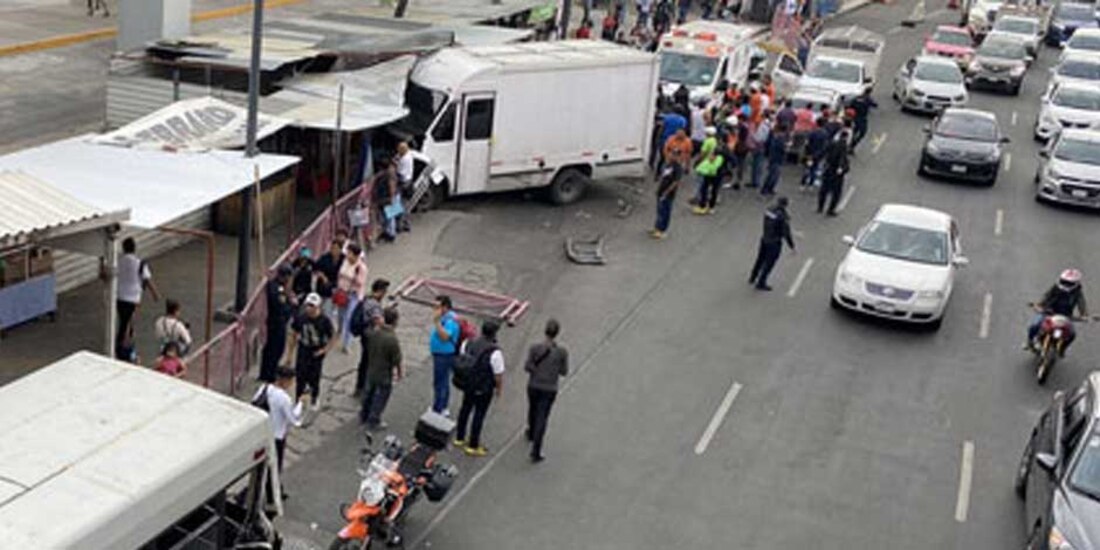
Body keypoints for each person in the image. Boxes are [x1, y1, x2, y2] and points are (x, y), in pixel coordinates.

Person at [454, 319, 505, 457]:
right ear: (494, 334)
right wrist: (499, 389)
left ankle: (459, 437)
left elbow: (462, 356)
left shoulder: (468, 342)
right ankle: (473, 445)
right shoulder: (495, 352)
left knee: (465, 408)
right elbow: (498, 374)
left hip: (468, 383)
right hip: (483, 388)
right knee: (479, 414)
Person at [253, 366, 308, 492]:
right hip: (277, 437)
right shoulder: (284, 398)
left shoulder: (264, 388)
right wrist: (301, 403)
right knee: (274, 468)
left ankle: (260, 491)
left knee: (260, 467)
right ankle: (273, 494)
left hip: (262, 433)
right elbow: (293, 419)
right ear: (285, 380)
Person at [525, 319, 569, 463]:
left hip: (534, 385)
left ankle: (531, 431)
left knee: (532, 408)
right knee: (542, 417)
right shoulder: (562, 352)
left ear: (545, 331)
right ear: (557, 333)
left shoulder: (534, 348)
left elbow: (527, 367)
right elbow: (564, 371)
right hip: (549, 388)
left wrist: (536, 370)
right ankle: (536, 450)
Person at [284, 293, 336, 410]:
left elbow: (333, 336)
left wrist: (324, 350)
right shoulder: (301, 318)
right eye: (307, 305)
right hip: (303, 349)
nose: (309, 308)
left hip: (316, 350)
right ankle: (298, 399)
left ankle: (314, 397)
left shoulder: (324, 321)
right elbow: (293, 334)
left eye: (312, 306)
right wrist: (290, 355)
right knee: (300, 376)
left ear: (317, 307)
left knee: (314, 377)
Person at [115, 237, 160, 361]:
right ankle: (123, 349)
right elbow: (147, 279)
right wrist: (155, 294)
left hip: (119, 296)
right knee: (127, 323)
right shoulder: (140, 263)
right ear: (134, 248)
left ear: (124, 248)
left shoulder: (119, 261)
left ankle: (124, 346)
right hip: (133, 298)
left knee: (124, 321)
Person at [1026, 269, 1090, 354]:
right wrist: (1039, 305)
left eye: (1069, 283)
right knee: (1034, 325)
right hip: (1048, 312)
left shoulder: (1077, 292)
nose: (1066, 284)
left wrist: (1084, 315)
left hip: (1065, 316)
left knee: (1072, 334)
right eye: (1065, 281)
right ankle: (1029, 342)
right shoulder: (1055, 288)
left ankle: (1062, 349)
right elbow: (1046, 296)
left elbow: (1082, 303)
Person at [361, 308, 404, 429]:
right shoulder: (392, 339)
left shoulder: (375, 333)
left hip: (372, 368)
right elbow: (397, 359)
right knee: (381, 397)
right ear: (395, 321)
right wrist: (400, 373)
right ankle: (374, 420)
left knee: (369, 393)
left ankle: (364, 415)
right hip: (384, 372)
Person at [749, 196, 796, 291]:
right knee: (769, 263)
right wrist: (792, 246)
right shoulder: (782, 216)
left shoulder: (769, 210)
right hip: (774, 242)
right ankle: (761, 282)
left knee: (760, 259)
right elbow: (786, 232)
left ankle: (753, 277)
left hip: (765, 238)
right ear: (785, 205)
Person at [352, 278, 389, 396]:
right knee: (368, 363)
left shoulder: (367, 299)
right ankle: (364, 388)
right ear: (380, 291)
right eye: (384, 291)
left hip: (364, 335)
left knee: (364, 362)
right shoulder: (374, 304)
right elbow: (379, 321)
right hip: (370, 337)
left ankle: (359, 387)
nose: (384, 294)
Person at [260, 264, 295, 382]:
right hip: (276, 322)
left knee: (275, 348)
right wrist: (291, 304)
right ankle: (268, 374)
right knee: (274, 349)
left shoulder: (281, 287)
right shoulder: (276, 288)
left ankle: (268, 372)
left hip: (280, 321)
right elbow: (281, 306)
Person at [430, 295, 461, 415]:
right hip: (440, 354)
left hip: (444, 355)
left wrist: (437, 322)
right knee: (442, 381)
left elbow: (445, 337)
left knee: (440, 382)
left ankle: (438, 408)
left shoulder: (451, 320)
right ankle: (442, 405)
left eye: (437, 306)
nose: (435, 309)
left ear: (446, 307)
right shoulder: (445, 317)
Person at [336, 243, 368, 353]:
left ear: (355, 255)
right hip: (342, 292)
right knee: (341, 315)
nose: (347, 255)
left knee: (348, 318)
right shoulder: (345, 262)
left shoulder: (361, 267)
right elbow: (340, 274)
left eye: (349, 253)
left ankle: (346, 344)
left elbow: (361, 282)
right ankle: (340, 332)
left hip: (353, 295)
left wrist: (352, 278)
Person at [818, 129, 851, 216]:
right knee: (836, 193)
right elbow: (842, 158)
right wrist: (841, 168)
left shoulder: (832, 143)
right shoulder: (844, 146)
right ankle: (830, 210)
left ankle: (820, 207)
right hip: (836, 172)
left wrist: (815, 158)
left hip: (828, 168)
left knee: (824, 189)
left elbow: (823, 151)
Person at [314, 238, 344, 324]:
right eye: (332, 248)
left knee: (331, 310)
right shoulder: (325, 258)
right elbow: (316, 268)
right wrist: (323, 276)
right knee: (323, 307)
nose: (333, 250)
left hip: (335, 287)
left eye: (336, 248)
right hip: (323, 287)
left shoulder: (343, 259)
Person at [652, 162, 683, 239]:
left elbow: (676, 182)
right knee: (659, 210)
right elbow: (663, 178)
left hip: (668, 194)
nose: (672, 155)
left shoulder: (678, 168)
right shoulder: (668, 165)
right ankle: (657, 227)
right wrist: (658, 189)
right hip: (661, 191)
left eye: (675, 154)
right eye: (672, 153)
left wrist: (667, 192)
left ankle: (662, 230)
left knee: (665, 211)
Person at [694, 141, 725, 214]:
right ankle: (702, 205)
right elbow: (702, 166)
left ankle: (711, 207)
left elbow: (714, 167)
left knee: (713, 191)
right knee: (704, 190)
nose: (711, 157)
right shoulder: (710, 159)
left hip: (716, 176)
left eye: (713, 155)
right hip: (708, 176)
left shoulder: (720, 159)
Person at [801, 117, 829, 190]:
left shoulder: (812, 132)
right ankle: (811, 184)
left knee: (807, 168)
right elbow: (824, 146)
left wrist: (807, 153)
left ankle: (803, 184)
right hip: (818, 155)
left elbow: (807, 143)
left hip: (810, 154)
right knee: (814, 169)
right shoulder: (825, 134)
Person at [847, 88, 878, 153]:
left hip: (854, 117)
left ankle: (850, 143)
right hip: (862, 118)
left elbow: (850, 105)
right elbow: (875, 105)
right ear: (869, 92)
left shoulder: (857, 98)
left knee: (853, 131)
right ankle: (852, 145)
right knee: (862, 133)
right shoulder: (868, 99)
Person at [761, 126, 787, 196]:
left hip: (774, 158)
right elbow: (782, 149)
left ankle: (768, 188)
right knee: (773, 175)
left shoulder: (776, 137)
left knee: (773, 174)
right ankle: (767, 188)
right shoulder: (780, 139)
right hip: (777, 159)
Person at [749, 112, 772, 189]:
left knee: (756, 164)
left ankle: (755, 181)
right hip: (763, 146)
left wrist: (753, 136)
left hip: (759, 146)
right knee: (758, 164)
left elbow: (759, 137)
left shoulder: (763, 125)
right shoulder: (769, 125)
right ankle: (755, 181)